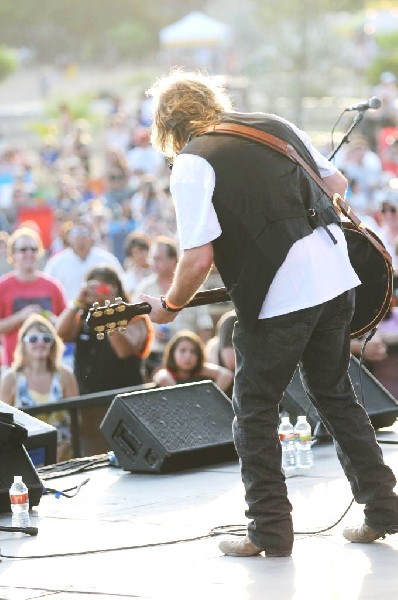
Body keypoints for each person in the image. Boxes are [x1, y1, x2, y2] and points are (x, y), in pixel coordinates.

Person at [141, 69, 398, 558]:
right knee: (336, 395)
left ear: (167, 125)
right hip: (336, 275)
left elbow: (197, 258)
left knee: (254, 410)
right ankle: (383, 508)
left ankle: (269, 530)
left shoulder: (193, 162)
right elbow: (336, 181)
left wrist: (171, 306)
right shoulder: (271, 124)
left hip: (282, 297)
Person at [56, 265, 153, 395]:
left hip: (125, 396)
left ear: (115, 289)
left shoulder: (135, 316)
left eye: (101, 288)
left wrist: (108, 311)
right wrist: (77, 302)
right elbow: (60, 334)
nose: (96, 293)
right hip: (89, 398)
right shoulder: (84, 316)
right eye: (92, 288)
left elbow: (123, 351)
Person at [0, 314, 79, 461]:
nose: (40, 343)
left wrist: (62, 450)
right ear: (23, 343)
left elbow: (75, 420)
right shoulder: (10, 378)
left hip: (63, 456)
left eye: (46, 339)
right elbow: (3, 427)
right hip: (24, 457)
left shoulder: (65, 374)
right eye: (33, 339)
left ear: (53, 344)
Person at [135, 235, 213, 378]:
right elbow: (134, 325)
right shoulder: (144, 288)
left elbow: (205, 327)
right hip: (155, 358)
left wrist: (199, 358)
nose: (153, 262)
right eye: (152, 258)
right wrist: (149, 332)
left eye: (158, 258)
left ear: (172, 261)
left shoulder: (192, 286)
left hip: (189, 360)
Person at [0, 227, 67, 368]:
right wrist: (21, 317)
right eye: (23, 250)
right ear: (12, 255)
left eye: (34, 249)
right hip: (14, 366)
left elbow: (67, 327)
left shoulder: (53, 286)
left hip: (51, 365)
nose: (29, 253)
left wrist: (51, 320)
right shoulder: (3, 287)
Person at [44, 220, 124, 301]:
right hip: (68, 311)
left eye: (84, 233)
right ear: (69, 237)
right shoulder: (56, 263)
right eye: (76, 233)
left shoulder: (106, 259)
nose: (80, 238)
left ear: (92, 236)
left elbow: (120, 286)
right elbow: (47, 290)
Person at [153, 330, 233, 393]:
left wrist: (212, 396)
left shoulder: (201, 370)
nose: (188, 356)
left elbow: (227, 374)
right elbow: (161, 377)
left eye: (193, 352)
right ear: (172, 352)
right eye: (183, 350)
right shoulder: (167, 373)